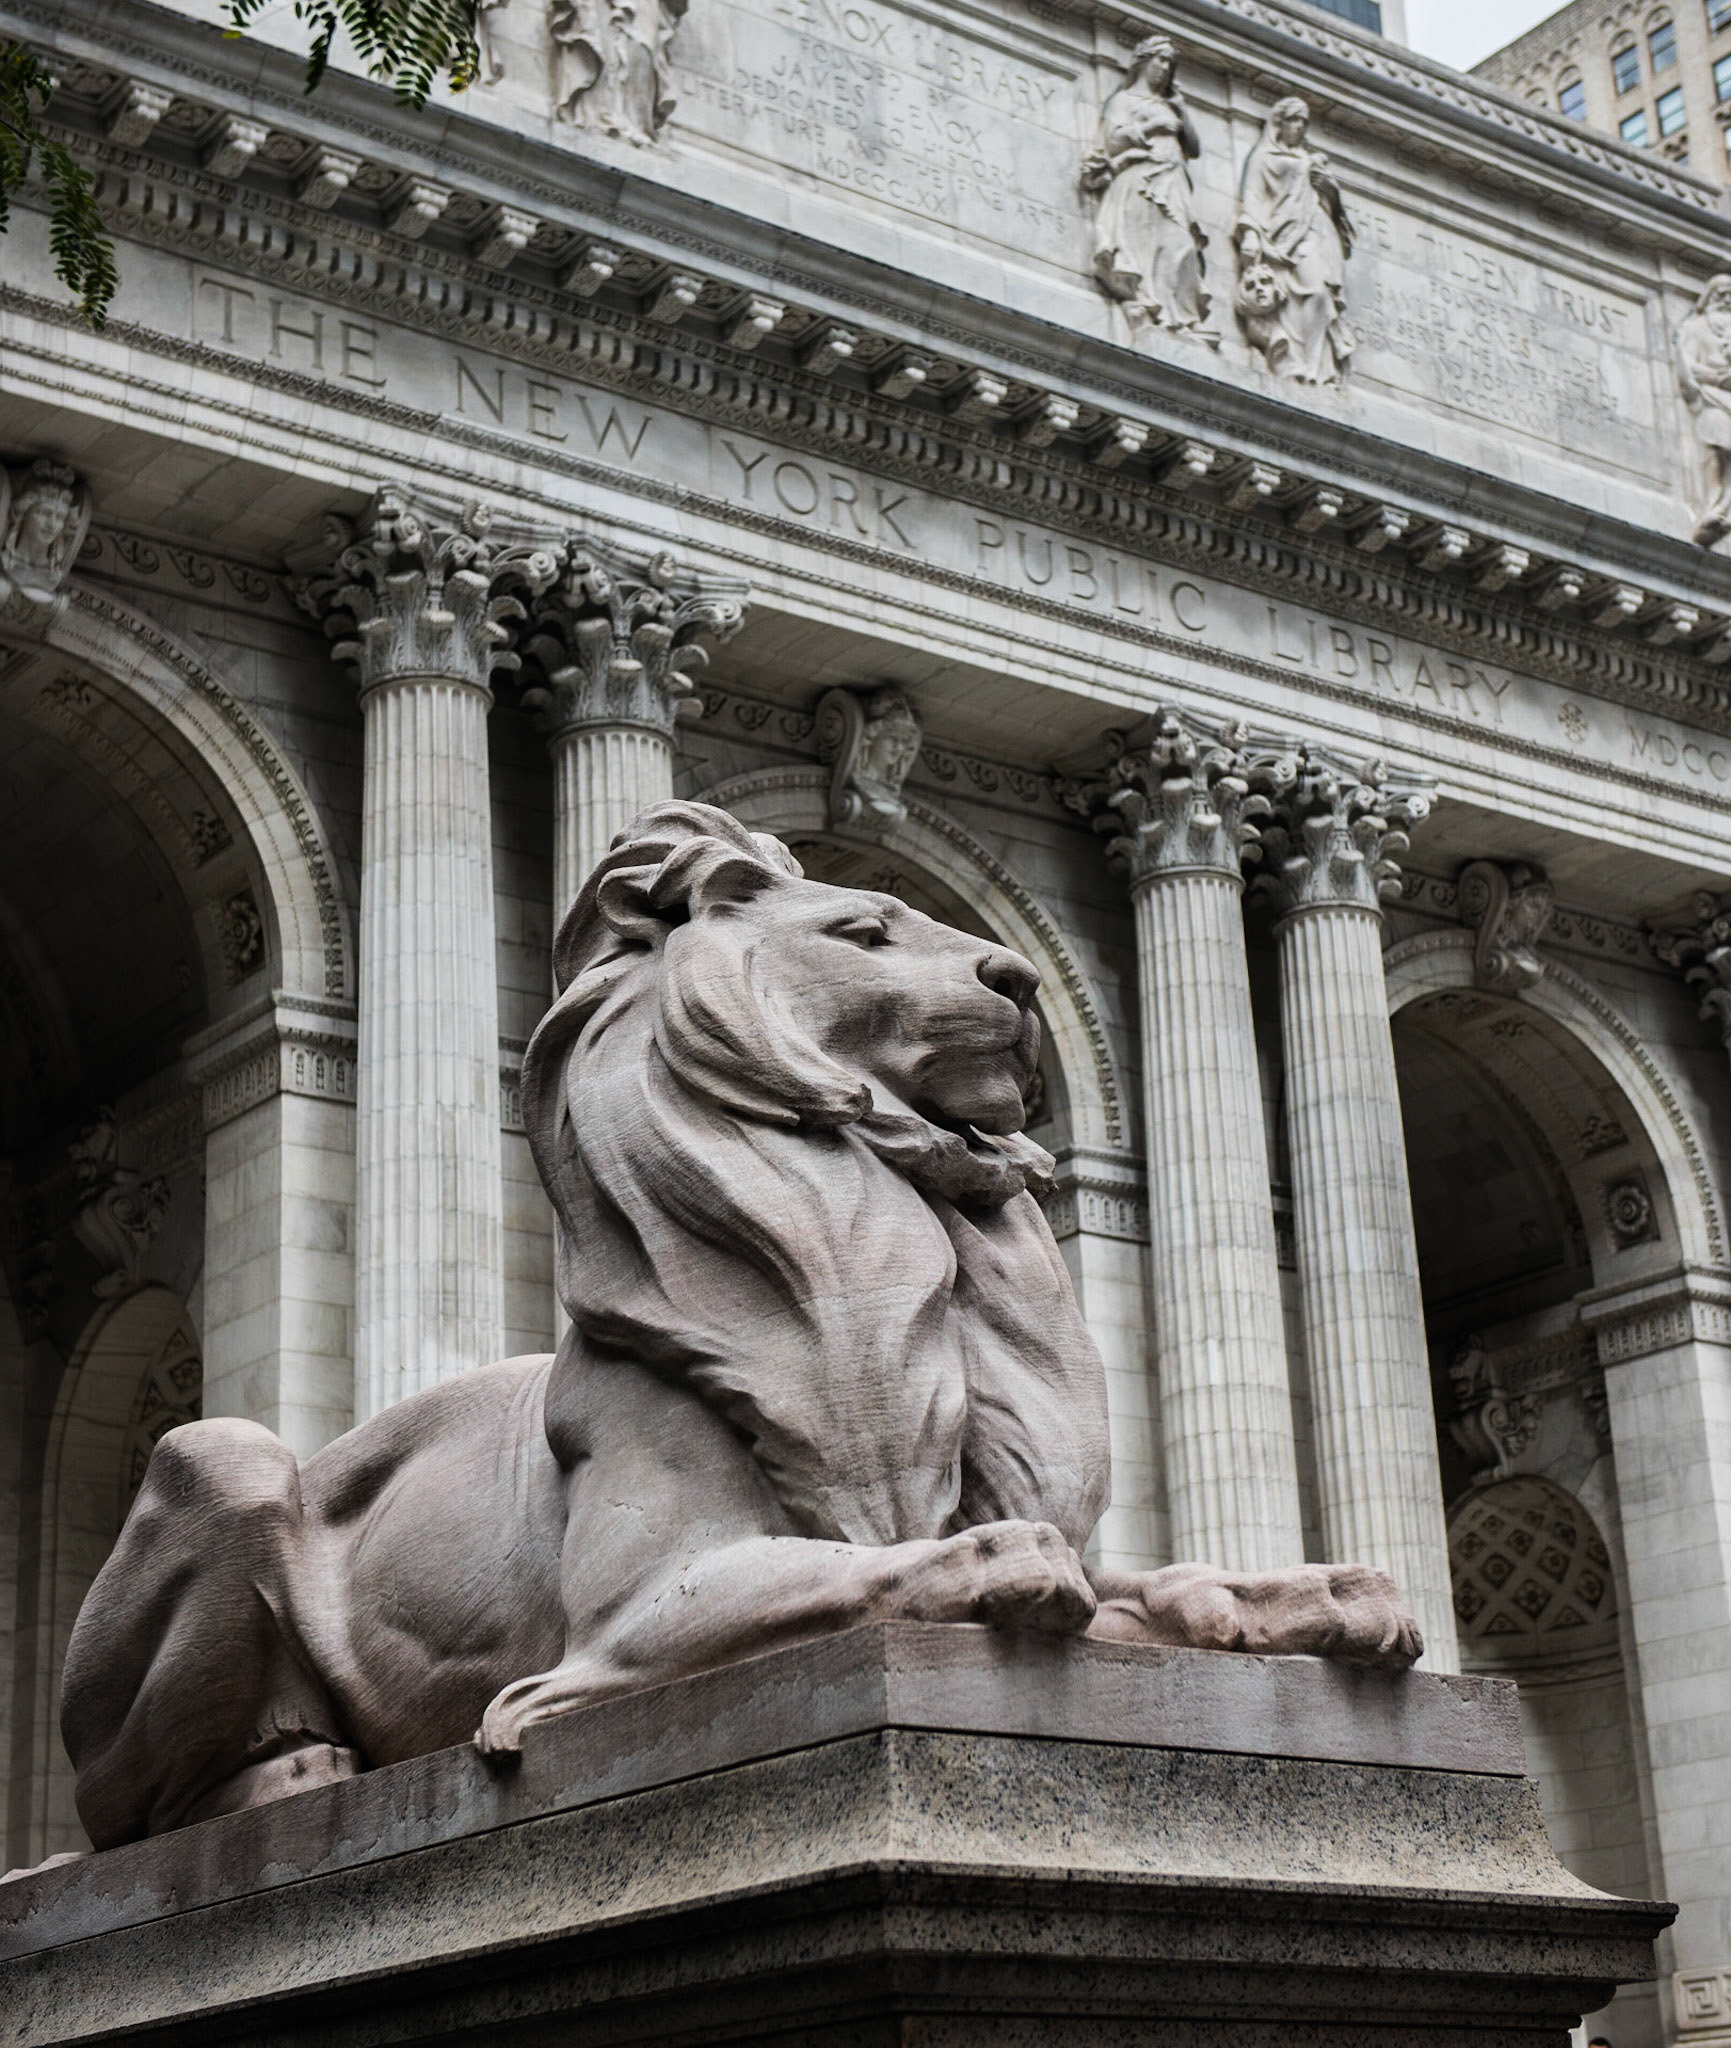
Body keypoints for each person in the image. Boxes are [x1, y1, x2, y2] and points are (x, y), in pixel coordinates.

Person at [1082, 36, 1214, 343]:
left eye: (1170, 62)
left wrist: (1180, 110)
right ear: (1144, 61)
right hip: (1140, 181)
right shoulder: (1124, 100)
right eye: (1161, 59)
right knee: (1145, 244)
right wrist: (1151, 128)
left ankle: (1180, 318)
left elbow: (1193, 148)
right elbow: (1112, 141)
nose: (1166, 68)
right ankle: (1149, 308)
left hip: (1174, 184)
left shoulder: (1170, 105)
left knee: (1181, 245)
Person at [1233, 94, 1355, 385]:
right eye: (1293, 120)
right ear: (1279, 123)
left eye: (1304, 121)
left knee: (1319, 294)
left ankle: (1316, 369)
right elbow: (1252, 195)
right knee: (1286, 299)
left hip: (1314, 233)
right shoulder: (1263, 157)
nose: (1299, 126)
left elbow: (1336, 212)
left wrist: (1331, 191)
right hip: (1280, 236)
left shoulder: (1310, 160)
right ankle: (1291, 361)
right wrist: (1250, 234)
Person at [1679, 274, 1731, 548]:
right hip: (1712, 397)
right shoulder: (1697, 327)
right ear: (1708, 296)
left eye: (1730, 293)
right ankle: (1713, 506)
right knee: (1715, 448)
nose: (1725, 298)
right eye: (1720, 292)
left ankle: (1724, 507)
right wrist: (1717, 377)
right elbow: (1688, 365)